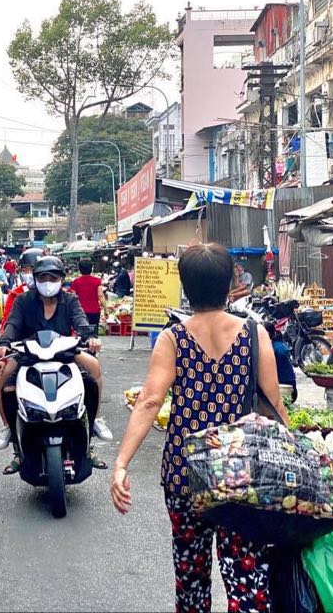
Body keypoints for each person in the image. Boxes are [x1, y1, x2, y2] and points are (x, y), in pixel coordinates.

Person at [110, 243, 287, 612]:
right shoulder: (255, 334)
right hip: (241, 476)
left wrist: (121, 464)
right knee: (246, 578)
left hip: (185, 474)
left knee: (191, 577)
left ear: (185, 287)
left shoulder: (173, 338)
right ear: (229, 284)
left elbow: (149, 402)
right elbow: (274, 405)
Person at [0, 256, 109, 473]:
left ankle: (94, 424)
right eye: (43, 277)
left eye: (52, 277)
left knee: (94, 370)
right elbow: (12, 325)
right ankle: (9, 429)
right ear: (35, 279)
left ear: (61, 279)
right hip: (28, 353)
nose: (47, 282)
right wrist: (4, 344)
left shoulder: (70, 300)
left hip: (64, 352)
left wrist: (90, 338)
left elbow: (81, 322)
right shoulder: (23, 301)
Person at [0, 248, 43, 327]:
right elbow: (6, 324)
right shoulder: (15, 295)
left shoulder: (61, 295)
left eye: (33, 269)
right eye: (24, 270)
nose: (29, 274)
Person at [69, 259, 105, 329]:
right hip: (95, 311)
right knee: (93, 332)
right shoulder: (97, 281)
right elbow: (100, 296)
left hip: (80, 311)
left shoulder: (76, 282)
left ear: (79, 269)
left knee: (81, 331)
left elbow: (72, 296)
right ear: (91, 268)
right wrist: (106, 309)